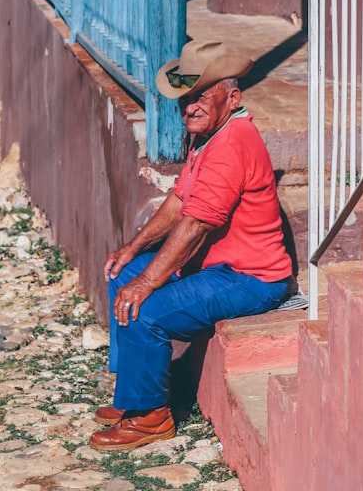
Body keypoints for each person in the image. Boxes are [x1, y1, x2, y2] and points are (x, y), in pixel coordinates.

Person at [88, 40, 295, 452]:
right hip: (218, 267)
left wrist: (149, 281)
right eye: (186, 99)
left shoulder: (233, 143)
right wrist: (133, 250)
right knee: (121, 275)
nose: (190, 107)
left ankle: (151, 416)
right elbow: (180, 201)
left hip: (249, 277)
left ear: (231, 98)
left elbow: (197, 224)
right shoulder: (208, 138)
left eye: (201, 96)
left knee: (143, 309)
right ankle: (132, 389)